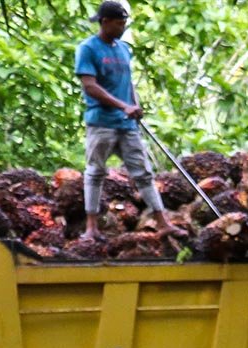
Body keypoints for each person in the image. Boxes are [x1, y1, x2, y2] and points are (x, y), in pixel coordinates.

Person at [74, 1, 184, 241]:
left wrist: (134, 105)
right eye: (118, 23)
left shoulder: (124, 49)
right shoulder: (88, 49)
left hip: (127, 125)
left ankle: (162, 221)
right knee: (95, 173)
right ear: (104, 22)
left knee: (143, 173)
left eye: (124, 23)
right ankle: (91, 227)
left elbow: (128, 83)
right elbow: (90, 86)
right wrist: (123, 106)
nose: (123, 27)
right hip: (101, 123)